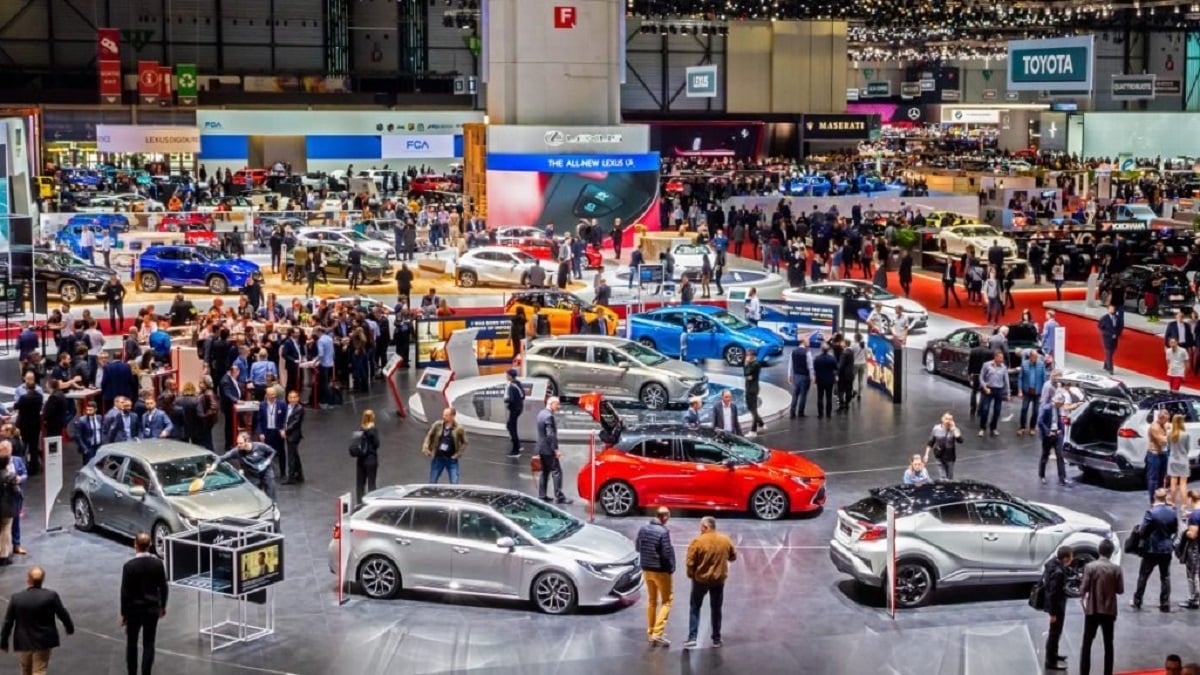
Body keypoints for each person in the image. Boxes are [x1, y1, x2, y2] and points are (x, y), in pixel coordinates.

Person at [0, 567, 74, 675]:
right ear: (42, 579)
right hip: (43, 641)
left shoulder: (17, 598)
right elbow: (62, 613)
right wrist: (69, 628)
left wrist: (3, 642)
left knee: (25, 671)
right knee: (39, 671)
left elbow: (8, 621)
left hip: (24, 641)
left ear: (28, 580)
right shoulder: (50, 596)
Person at [683, 516, 737, 650]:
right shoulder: (725, 540)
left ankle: (692, 637)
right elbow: (733, 556)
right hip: (718, 581)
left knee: (695, 607)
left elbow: (690, 562)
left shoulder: (697, 541)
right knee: (716, 609)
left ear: (705, 527)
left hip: (700, 580)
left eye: (701, 527)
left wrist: (691, 575)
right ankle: (716, 639)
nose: (700, 529)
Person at [120, 532, 168, 675]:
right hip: (152, 609)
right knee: (149, 643)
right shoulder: (157, 564)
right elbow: (163, 587)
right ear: (150, 545)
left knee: (132, 643)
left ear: (135, 545)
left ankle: (132, 672)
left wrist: (123, 613)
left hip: (134, 610)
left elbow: (124, 592)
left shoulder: (129, 566)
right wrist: (162, 606)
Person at [1079, 538, 1123, 675]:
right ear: (1111, 553)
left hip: (1092, 610)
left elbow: (1083, 589)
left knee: (1087, 644)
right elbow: (1120, 590)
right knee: (1108, 644)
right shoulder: (1116, 569)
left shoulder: (1090, 567)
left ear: (1099, 551)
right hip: (1109, 611)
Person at [1132, 488, 1178, 612]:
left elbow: (1142, 531)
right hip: (1166, 549)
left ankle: (1137, 601)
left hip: (1151, 550)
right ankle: (1165, 603)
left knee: (1143, 576)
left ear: (1155, 497)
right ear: (1165, 498)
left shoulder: (1151, 513)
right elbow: (1174, 529)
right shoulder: (1172, 512)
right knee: (1165, 577)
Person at [636, 507, 675, 648]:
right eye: (668, 516)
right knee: (667, 601)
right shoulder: (663, 532)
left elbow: (637, 547)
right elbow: (666, 554)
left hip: (646, 569)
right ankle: (657, 633)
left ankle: (651, 631)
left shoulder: (643, 529)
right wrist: (670, 568)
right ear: (664, 517)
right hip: (661, 571)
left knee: (652, 601)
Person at [218, 432, 277, 501]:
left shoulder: (259, 446)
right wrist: (214, 463)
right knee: (256, 497)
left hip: (266, 472)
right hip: (253, 475)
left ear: (247, 441)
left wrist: (268, 461)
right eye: (238, 443)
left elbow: (272, 451)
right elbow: (224, 457)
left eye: (241, 443)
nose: (238, 445)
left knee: (271, 496)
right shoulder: (238, 450)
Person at [1042, 546, 1073, 670]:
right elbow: (1053, 594)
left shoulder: (1052, 564)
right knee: (1055, 633)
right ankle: (1050, 661)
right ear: (1065, 558)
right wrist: (1053, 613)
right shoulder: (1059, 574)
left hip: (1056, 605)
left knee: (1055, 633)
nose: (1072, 558)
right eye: (1071, 556)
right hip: (1057, 607)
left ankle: (1054, 654)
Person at [535, 397, 570, 503]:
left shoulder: (541, 413)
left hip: (541, 448)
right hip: (548, 449)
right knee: (557, 471)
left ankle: (542, 495)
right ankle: (559, 496)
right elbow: (550, 434)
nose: (558, 407)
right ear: (551, 404)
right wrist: (555, 449)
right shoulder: (549, 416)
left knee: (545, 472)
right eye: (557, 404)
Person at [422, 407, 464, 485]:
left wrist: (458, 454)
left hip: (451, 459)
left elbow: (464, 442)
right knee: (432, 481)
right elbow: (429, 435)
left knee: (454, 483)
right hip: (438, 457)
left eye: (446, 415)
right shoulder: (437, 425)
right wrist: (426, 447)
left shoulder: (459, 428)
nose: (443, 417)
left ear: (452, 416)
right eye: (443, 415)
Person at [256, 386, 288, 484]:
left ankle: (283, 473)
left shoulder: (282, 405)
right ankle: (266, 472)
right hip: (267, 432)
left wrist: (283, 429)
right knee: (266, 453)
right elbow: (259, 420)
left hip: (277, 432)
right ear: (266, 395)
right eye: (269, 395)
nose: (272, 396)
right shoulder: (262, 405)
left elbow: (285, 419)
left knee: (281, 452)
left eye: (273, 394)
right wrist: (260, 432)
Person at [1038, 394, 1069, 487]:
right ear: (1056, 402)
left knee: (1060, 455)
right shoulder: (1046, 408)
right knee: (1045, 455)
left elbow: (1059, 420)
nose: (1062, 405)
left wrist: (1061, 429)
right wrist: (1048, 432)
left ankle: (1062, 478)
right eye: (1061, 403)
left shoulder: (1058, 409)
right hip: (1048, 435)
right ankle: (1042, 475)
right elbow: (1040, 421)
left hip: (1057, 434)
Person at [978, 349, 1010, 437]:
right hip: (988, 389)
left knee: (997, 410)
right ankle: (982, 428)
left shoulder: (1003, 367)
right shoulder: (987, 365)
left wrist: (1008, 393)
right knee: (985, 409)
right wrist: (984, 386)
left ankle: (993, 427)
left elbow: (1006, 380)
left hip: (999, 390)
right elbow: (981, 376)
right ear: (995, 357)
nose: (1001, 360)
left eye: (1002, 358)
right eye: (1000, 358)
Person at [924, 412, 962, 481]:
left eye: (950, 419)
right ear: (942, 419)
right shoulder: (936, 429)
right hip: (939, 456)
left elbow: (960, 440)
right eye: (946, 419)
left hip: (950, 458)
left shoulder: (955, 430)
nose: (948, 421)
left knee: (950, 478)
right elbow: (930, 442)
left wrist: (953, 429)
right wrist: (926, 455)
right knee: (943, 478)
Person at [352, 410, 380, 503]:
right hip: (371, 460)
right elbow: (376, 444)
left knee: (360, 484)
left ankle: (359, 503)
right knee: (371, 483)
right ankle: (372, 502)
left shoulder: (360, 429)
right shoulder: (373, 430)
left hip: (361, 460)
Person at [1017, 350, 1046, 436]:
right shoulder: (1024, 364)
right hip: (1027, 391)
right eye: (1034, 357)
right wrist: (1019, 390)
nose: (1036, 359)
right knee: (1024, 409)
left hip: (1037, 392)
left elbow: (1044, 378)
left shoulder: (1041, 364)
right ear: (1030, 357)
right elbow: (1020, 378)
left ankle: (1032, 427)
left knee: (1036, 411)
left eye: (1037, 357)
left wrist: (1043, 393)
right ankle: (1022, 427)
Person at [1167, 414, 1191, 511]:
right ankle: (1184, 505)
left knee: (1173, 483)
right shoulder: (1186, 434)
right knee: (1183, 484)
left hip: (1172, 460)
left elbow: (1168, 447)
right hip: (1183, 460)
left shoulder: (1169, 433)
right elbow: (1188, 449)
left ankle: (1172, 503)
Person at [281, 390, 305, 484]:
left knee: (291, 456)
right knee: (295, 455)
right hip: (289, 434)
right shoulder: (288, 407)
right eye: (290, 397)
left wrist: (285, 431)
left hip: (294, 435)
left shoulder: (299, 409)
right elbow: (286, 420)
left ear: (298, 398)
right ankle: (299, 475)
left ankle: (291, 477)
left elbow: (295, 423)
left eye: (294, 397)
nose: (292, 399)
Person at [1147, 409, 1170, 504]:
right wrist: (1169, 433)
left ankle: (1161, 498)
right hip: (1154, 455)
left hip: (1163, 454)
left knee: (1162, 478)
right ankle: (1153, 500)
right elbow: (1162, 441)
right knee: (1154, 479)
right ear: (1161, 418)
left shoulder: (1164, 424)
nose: (1167, 422)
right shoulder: (1154, 427)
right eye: (1166, 420)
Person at [219, 364, 243, 451]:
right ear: (234, 372)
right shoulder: (226, 380)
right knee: (229, 426)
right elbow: (227, 393)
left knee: (233, 426)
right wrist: (236, 400)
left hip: (233, 407)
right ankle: (229, 445)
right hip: (229, 407)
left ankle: (233, 443)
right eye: (238, 372)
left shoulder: (231, 379)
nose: (238, 374)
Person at [787, 342, 813, 419]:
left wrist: (789, 375)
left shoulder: (793, 351)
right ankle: (800, 412)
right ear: (804, 343)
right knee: (803, 395)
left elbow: (790, 364)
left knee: (795, 394)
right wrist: (812, 377)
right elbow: (810, 366)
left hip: (796, 376)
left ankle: (792, 412)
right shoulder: (807, 353)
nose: (809, 343)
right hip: (805, 376)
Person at [812, 343, 838, 419]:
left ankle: (820, 414)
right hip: (830, 380)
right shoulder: (832, 358)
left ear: (821, 349)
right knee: (829, 397)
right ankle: (828, 414)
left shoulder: (817, 358)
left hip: (820, 380)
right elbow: (836, 368)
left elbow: (815, 368)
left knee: (820, 397)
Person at [503, 369, 524, 458]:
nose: (506, 376)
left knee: (511, 427)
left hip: (514, 409)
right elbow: (523, 395)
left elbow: (510, 399)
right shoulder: (518, 383)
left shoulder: (511, 386)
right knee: (511, 426)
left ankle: (516, 450)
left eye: (507, 375)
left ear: (510, 376)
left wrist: (506, 400)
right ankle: (518, 445)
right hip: (519, 408)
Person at [742, 348, 763, 436]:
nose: (746, 357)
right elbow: (747, 376)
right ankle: (761, 423)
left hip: (752, 389)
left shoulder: (755, 364)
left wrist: (746, 365)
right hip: (749, 388)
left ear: (752, 356)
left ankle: (753, 430)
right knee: (751, 408)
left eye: (748, 355)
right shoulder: (752, 363)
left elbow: (747, 374)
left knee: (753, 409)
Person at [1098, 304, 1122, 375]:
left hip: (1115, 339)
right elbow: (1100, 327)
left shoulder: (1117, 317)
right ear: (1108, 310)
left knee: (1111, 353)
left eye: (1113, 308)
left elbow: (1120, 327)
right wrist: (1107, 334)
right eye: (1110, 309)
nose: (1112, 310)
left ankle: (1106, 364)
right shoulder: (1104, 318)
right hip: (1107, 338)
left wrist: (1117, 334)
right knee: (1108, 353)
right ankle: (1110, 368)